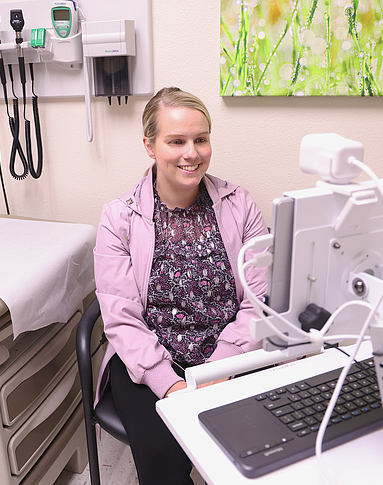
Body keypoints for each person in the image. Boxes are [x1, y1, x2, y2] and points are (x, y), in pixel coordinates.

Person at [93, 87, 269, 484]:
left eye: (201, 139)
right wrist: (171, 386)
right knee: (163, 457)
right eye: (176, 141)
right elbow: (121, 320)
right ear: (150, 146)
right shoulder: (119, 218)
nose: (192, 153)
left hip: (232, 352)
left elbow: (258, 302)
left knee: (263, 445)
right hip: (149, 359)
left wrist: (217, 372)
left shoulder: (240, 206)